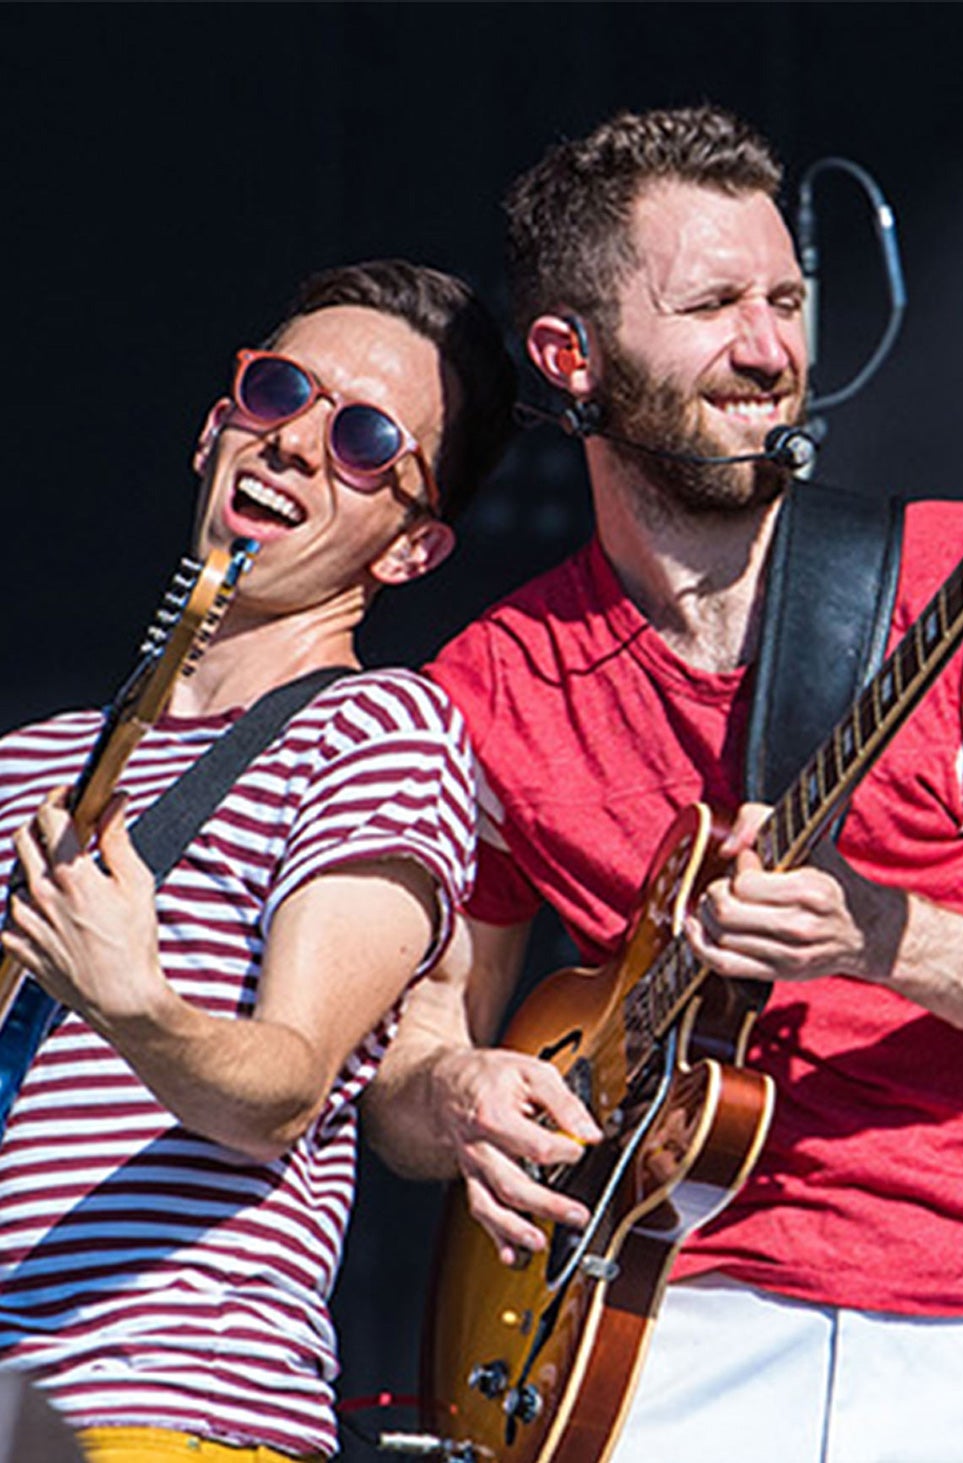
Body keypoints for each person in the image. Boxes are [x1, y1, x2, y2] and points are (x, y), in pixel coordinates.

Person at [362, 104, 963, 1461]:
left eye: (787, 299)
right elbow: (414, 1056)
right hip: (668, 1328)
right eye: (714, 303)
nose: (771, 349)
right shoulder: (490, 681)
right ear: (572, 356)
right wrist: (455, 1093)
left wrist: (884, 935)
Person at [0, 260, 516, 1461]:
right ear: (213, 429)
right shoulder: (29, 759)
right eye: (279, 392)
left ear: (411, 550)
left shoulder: (377, 730)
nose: (295, 443)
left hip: (155, 1405)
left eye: (364, 438)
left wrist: (135, 1003)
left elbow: (282, 1086)